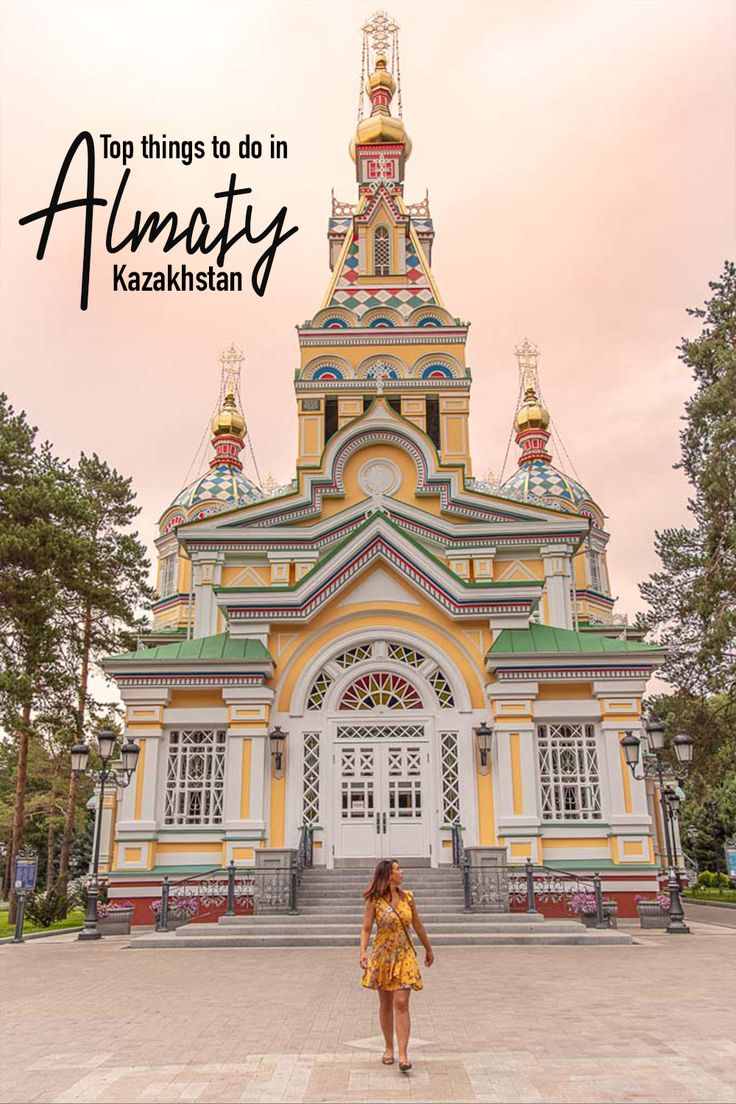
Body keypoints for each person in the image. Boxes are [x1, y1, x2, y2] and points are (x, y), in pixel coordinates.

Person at [359, 858, 434, 1073]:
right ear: (389, 875)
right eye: (398, 869)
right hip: (383, 955)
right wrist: (363, 952)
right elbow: (365, 929)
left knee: (401, 1002)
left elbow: (417, 924)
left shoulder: (408, 898)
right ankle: (388, 1047)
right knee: (386, 1002)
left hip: (404, 955)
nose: (402, 872)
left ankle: (403, 1054)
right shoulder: (374, 900)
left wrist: (428, 948)